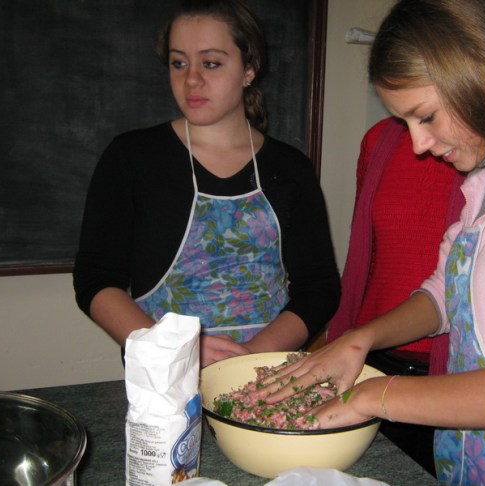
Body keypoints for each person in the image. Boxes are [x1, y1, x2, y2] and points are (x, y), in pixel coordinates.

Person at [256, 0, 485, 484]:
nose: (417, 145)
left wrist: (374, 395)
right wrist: (359, 340)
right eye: (406, 123)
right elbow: (446, 293)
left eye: (426, 116)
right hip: (475, 463)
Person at [73, 0, 340, 368]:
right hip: (165, 374)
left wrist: (250, 357)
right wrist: (175, 350)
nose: (192, 80)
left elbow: (319, 286)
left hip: (268, 373)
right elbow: (95, 279)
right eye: (178, 63)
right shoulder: (132, 158)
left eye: (211, 63)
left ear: (249, 68)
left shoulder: (291, 168)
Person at [328, 116, 464, 474]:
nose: (420, 142)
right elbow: (367, 253)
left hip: (456, 373)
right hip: (375, 361)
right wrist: (352, 338)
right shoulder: (381, 139)